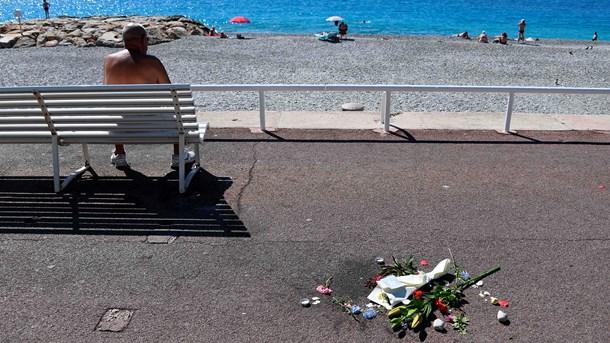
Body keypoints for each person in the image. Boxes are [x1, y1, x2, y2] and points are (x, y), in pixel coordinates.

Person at [103, 23, 195, 169]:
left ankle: (119, 154)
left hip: (120, 125)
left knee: (117, 111)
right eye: (147, 41)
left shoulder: (109, 61)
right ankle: (178, 156)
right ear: (142, 40)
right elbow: (171, 93)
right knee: (176, 113)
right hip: (152, 122)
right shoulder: (152, 62)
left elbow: (108, 93)